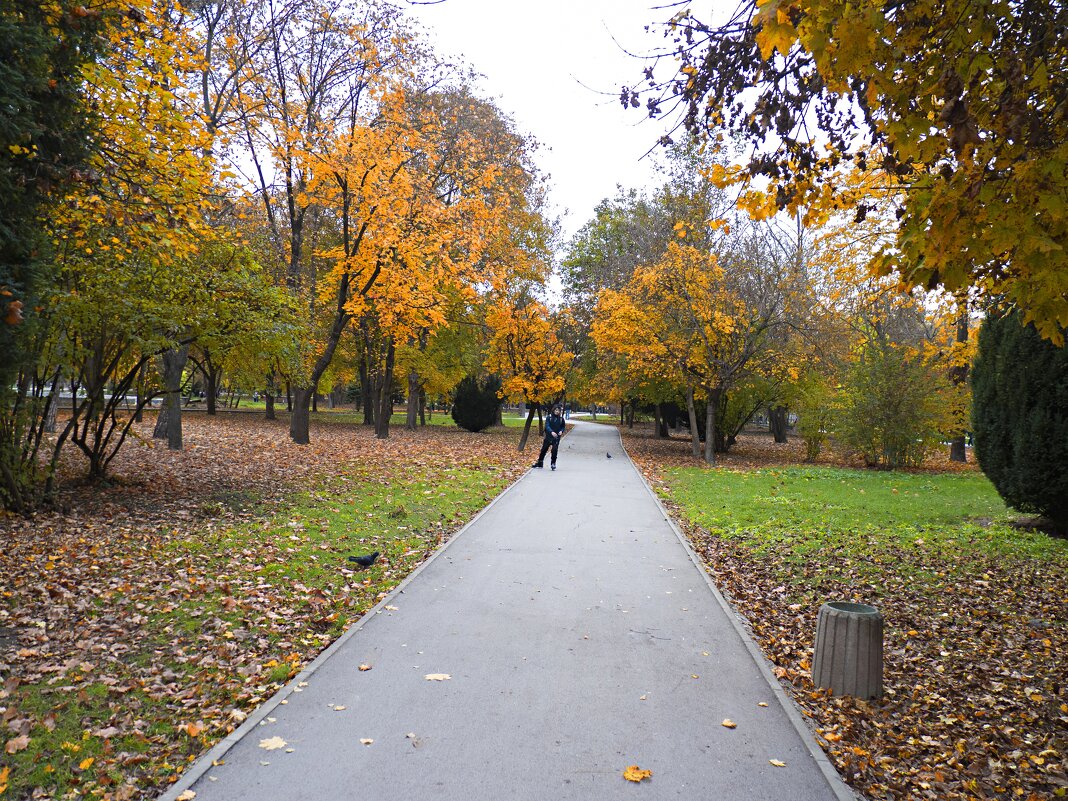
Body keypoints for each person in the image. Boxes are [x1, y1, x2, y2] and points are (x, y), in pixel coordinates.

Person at [533, 404, 566, 470]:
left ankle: (553, 463)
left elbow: (563, 426)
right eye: (556, 410)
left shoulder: (561, 419)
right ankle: (540, 462)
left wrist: (561, 431)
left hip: (556, 438)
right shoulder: (549, 417)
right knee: (544, 450)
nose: (557, 412)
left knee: (554, 450)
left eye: (558, 410)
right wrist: (551, 432)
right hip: (548, 437)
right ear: (553, 410)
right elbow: (547, 426)